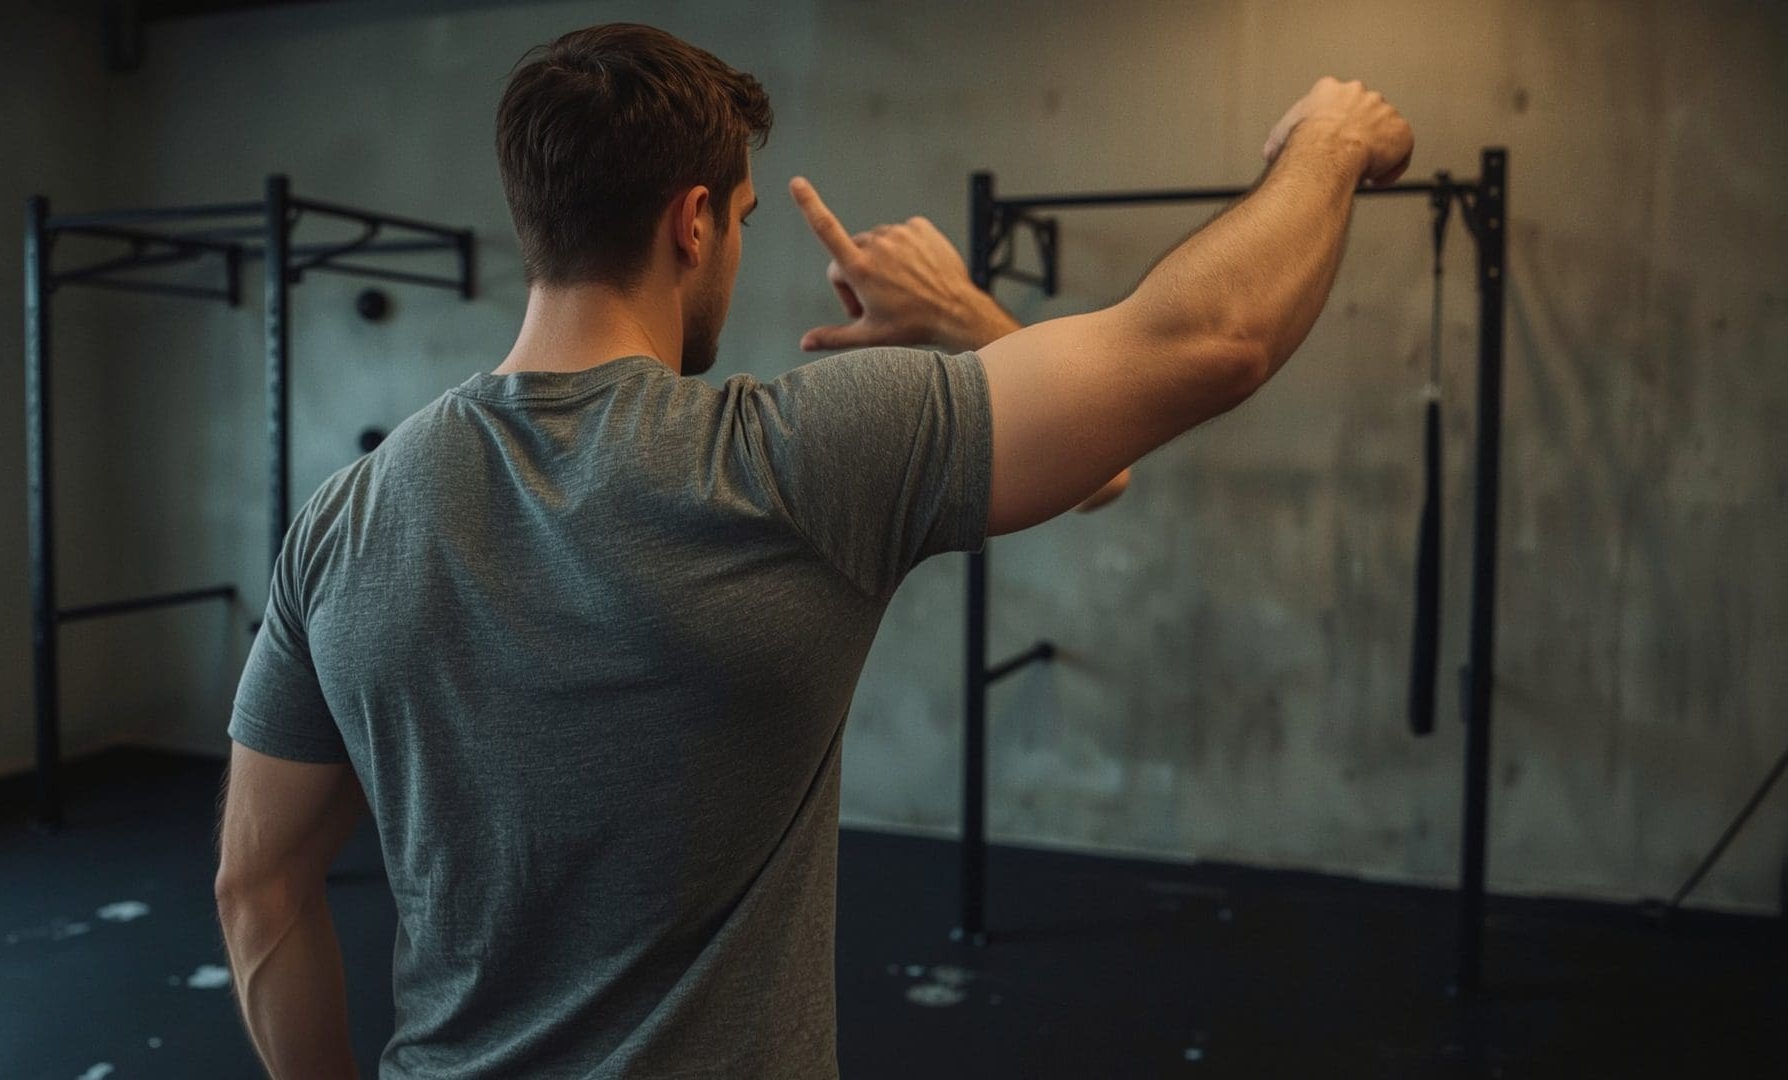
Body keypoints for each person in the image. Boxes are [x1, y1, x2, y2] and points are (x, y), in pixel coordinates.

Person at [213, 21, 1411, 1080]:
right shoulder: (787, 464)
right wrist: (1331, 136)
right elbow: (1210, 343)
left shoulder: (343, 519)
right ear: (692, 223)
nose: (735, 251)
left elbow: (258, 891)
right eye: (739, 223)